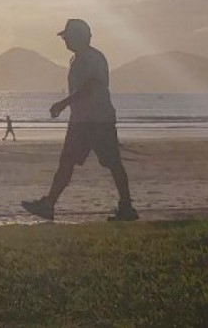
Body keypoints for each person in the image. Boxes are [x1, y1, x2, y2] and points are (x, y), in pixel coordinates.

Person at [22, 19, 137, 222]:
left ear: (78, 37)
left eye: (67, 36)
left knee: (108, 163)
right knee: (74, 162)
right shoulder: (78, 59)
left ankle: (126, 206)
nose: (64, 41)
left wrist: (63, 103)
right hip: (86, 120)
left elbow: (92, 87)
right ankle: (49, 204)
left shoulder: (92, 58)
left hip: (95, 120)